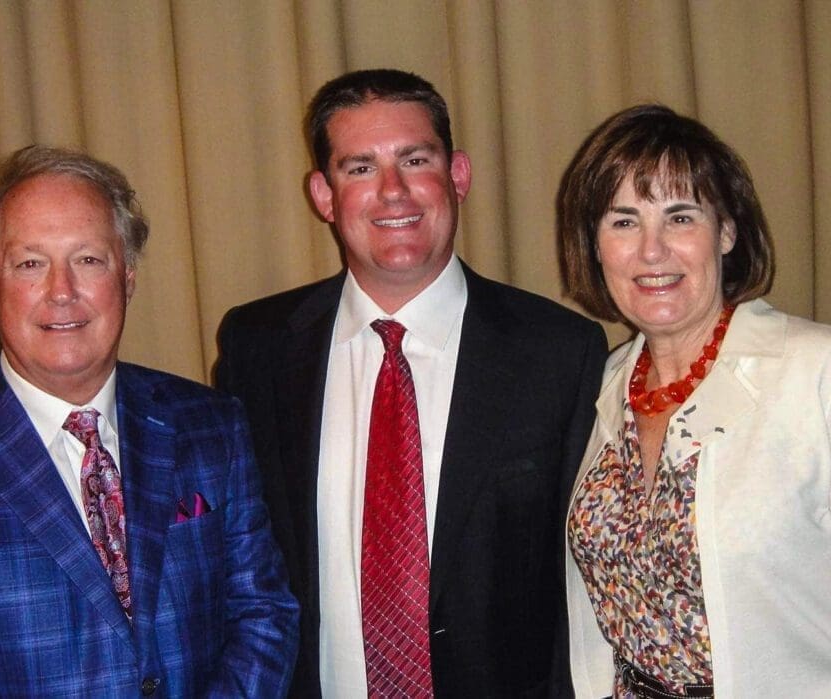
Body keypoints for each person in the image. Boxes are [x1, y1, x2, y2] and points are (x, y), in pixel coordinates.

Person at [215, 69, 607, 698]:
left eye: (414, 160)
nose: (392, 192)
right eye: (360, 168)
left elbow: (584, 584)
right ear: (323, 194)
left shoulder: (559, 352)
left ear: (458, 176)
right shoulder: (257, 347)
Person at [0, 146, 299, 697]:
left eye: (89, 259)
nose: (61, 291)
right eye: (29, 264)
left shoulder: (212, 425)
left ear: (128, 278)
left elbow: (264, 614)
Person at [559, 104, 831, 698]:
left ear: (726, 231)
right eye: (623, 222)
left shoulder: (820, 370)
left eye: (680, 217)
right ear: (596, 246)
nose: (652, 252)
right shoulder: (598, 386)